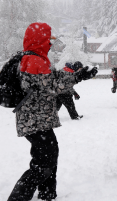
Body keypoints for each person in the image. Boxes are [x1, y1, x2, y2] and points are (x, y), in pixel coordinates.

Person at [8, 22, 97, 201]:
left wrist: (77, 75)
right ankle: (18, 197)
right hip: (35, 120)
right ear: (40, 40)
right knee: (44, 161)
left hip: (36, 119)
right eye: (48, 40)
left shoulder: (35, 58)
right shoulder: (33, 61)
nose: (50, 44)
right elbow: (53, 85)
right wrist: (78, 77)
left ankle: (47, 193)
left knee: (49, 155)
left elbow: (54, 77)